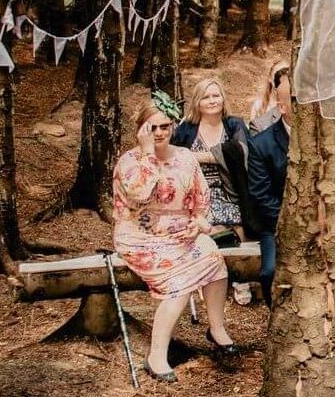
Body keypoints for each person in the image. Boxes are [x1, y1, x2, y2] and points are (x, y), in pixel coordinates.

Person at [113, 99, 237, 383]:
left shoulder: (185, 157)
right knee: (178, 282)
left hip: (181, 233)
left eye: (164, 126)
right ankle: (157, 355)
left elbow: (201, 202)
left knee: (213, 258)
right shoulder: (130, 162)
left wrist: (199, 224)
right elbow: (140, 195)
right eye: (152, 127)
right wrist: (147, 154)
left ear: (173, 126)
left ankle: (216, 328)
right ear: (141, 129)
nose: (159, 132)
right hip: (141, 237)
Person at [170, 77, 257, 304]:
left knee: (238, 223)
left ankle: (241, 276)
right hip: (197, 193)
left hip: (230, 189)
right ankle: (207, 275)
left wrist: (202, 156)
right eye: (206, 97)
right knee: (208, 227)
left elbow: (242, 151)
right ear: (197, 102)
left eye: (216, 95)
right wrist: (218, 156)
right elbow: (174, 159)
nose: (212, 101)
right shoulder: (186, 130)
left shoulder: (234, 124)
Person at [245, 63, 292, 307]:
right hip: (275, 224)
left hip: (323, 223)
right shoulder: (262, 144)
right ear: (281, 107)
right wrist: (290, 223)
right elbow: (261, 196)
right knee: (270, 271)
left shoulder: (323, 138)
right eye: (295, 101)